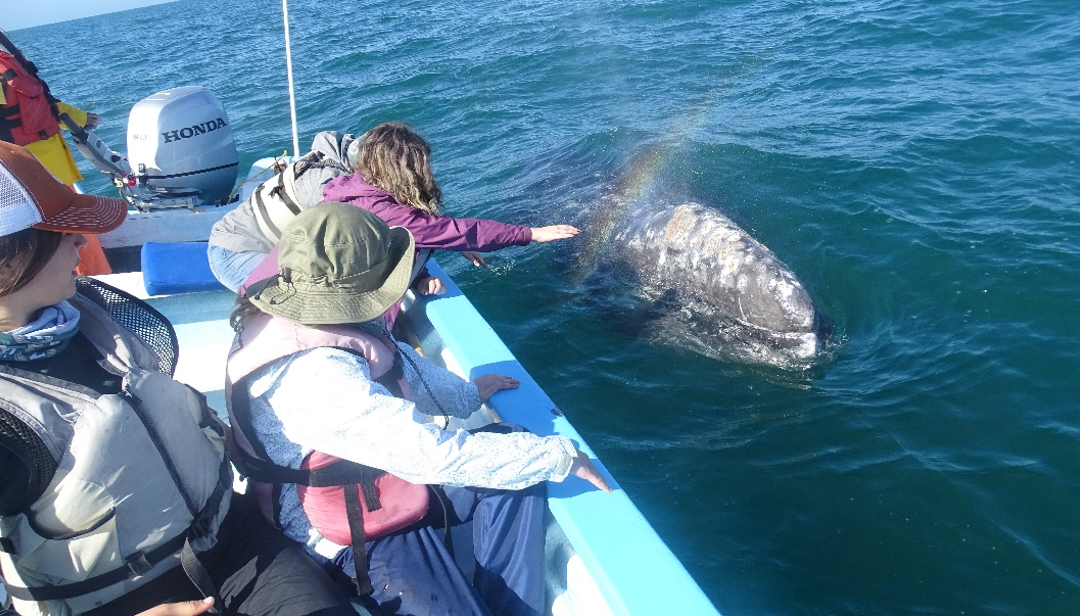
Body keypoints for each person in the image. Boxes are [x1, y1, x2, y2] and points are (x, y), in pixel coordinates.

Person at [0, 142, 356, 616]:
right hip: (118, 600)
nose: (80, 243)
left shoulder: (93, 314)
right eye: (62, 232)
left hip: (231, 539)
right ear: (6, 263)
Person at [226, 203, 611, 616]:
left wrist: (468, 395)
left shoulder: (317, 324)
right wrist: (561, 456)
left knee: (513, 447)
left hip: (377, 478)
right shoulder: (313, 372)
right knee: (532, 461)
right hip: (341, 531)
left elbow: (395, 367)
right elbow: (429, 456)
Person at [323, 121, 580, 297]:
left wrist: (419, 276)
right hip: (343, 308)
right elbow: (460, 230)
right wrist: (531, 234)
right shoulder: (388, 214)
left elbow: (408, 233)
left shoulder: (350, 186)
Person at [1, 29, 111, 276]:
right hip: (28, 176)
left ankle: (94, 284)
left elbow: (42, 104)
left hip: (46, 173)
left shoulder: (7, 62)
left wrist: (80, 118)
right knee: (65, 236)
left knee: (74, 232)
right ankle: (91, 285)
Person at [207, 130, 361, 292]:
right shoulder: (325, 187)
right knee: (299, 298)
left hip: (274, 249)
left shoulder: (331, 156)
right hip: (235, 252)